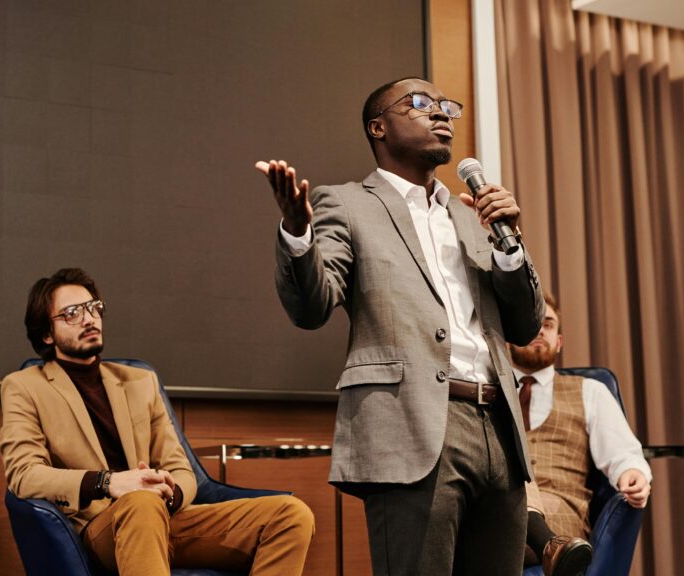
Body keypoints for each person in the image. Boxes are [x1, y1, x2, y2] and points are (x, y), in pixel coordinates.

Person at [256, 77, 545, 575]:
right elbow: (312, 308)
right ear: (378, 127)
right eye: (421, 103)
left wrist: (509, 245)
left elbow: (525, 326)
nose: (440, 113)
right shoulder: (346, 203)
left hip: (499, 425)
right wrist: (299, 234)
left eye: (446, 106)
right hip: (412, 425)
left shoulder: (471, 214)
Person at [0, 268, 315, 576]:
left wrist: (168, 492)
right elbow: (24, 475)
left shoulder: (141, 381)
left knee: (291, 515)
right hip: (102, 529)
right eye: (72, 313)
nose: (89, 318)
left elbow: (181, 469)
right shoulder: (24, 386)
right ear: (46, 333)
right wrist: (108, 482)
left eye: (93, 308)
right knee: (139, 502)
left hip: (164, 516)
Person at [513, 293, 651, 575]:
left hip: (560, 519)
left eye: (548, 324)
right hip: (496, 508)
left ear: (559, 341)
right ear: (508, 338)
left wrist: (633, 473)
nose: (539, 330)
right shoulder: (487, 395)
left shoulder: (591, 391)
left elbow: (623, 454)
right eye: (531, 323)